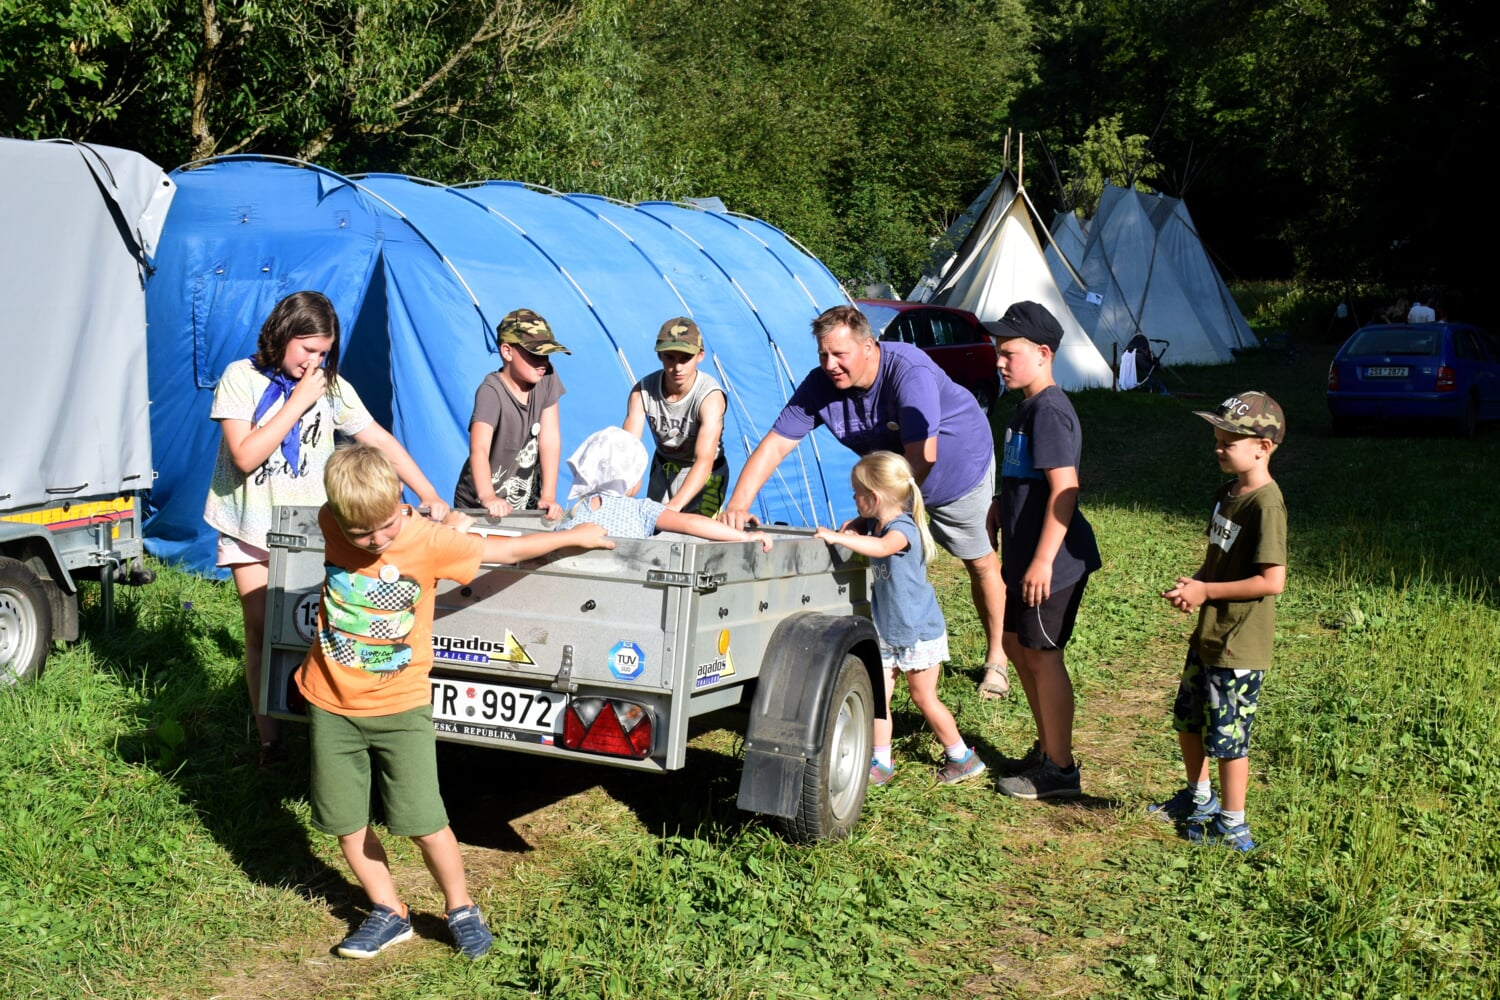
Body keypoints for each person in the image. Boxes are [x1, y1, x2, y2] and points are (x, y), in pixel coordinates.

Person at [296, 444, 613, 959]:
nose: (376, 540)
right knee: (346, 824)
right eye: (361, 533)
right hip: (330, 704)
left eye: (386, 527)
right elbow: (355, 511)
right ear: (337, 516)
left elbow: (502, 551)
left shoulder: (427, 540)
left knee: (424, 822)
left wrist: (572, 536)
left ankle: (461, 908)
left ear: (400, 503)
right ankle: (388, 911)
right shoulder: (332, 521)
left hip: (400, 710)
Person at [204, 290, 449, 768]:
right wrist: (297, 402)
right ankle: (270, 741)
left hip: (309, 532)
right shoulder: (240, 378)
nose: (313, 362)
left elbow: (376, 438)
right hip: (249, 525)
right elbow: (245, 456)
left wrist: (428, 492)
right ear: (282, 334)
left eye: (323, 352)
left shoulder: (330, 385)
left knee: (319, 627)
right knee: (260, 629)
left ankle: (328, 728)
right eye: (307, 349)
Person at [717, 304, 1009, 695]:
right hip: (890, 486)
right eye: (823, 354)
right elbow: (775, 446)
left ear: (869, 346)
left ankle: (998, 658)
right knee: (886, 565)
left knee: (978, 560)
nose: (830, 364)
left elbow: (923, 457)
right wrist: (738, 504)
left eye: (839, 354)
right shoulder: (820, 385)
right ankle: (888, 655)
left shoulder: (909, 372)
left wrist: (876, 515)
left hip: (956, 470)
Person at [1150, 391, 1287, 852]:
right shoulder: (1227, 494)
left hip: (1238, 645)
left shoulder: (1266, 505)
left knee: (1228, 738)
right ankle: (1199, 798)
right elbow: (1218, 558)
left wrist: (1207, 592)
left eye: (1228, 442)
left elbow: (1272, 580)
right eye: (1217, 439)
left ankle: (1233, 825)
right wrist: (1197, 583)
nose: (1218, 448)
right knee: (1188, 720)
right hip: (1209, 635)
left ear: (1262, 447)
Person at [985, 301, 1102, 800]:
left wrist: (1041, 561)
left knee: (1042, 656)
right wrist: (1000, 503)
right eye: (998, 351)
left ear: (1043, 353)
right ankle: (1047, 746)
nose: (999, 361)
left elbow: (1065, 490)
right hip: (1027, 557)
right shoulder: (1026, 406)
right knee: (1016, 646)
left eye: (1009, 352)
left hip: (1052, 562)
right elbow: (1027, 475)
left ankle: (1061, 769)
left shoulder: (1050, 411)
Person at [815, 452, 985, 786]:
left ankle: (962, 757)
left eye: (856, 493)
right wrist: (857, 525)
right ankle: (880, 761)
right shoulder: (876, 524)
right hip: (887, 629)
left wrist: (839, 538)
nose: (853, 498)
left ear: (874, 497)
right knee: (878, 698)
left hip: (918, 630)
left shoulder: (902, 528)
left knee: (924, 698)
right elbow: (870, 532)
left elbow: (882, 549)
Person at [557, 427, 771, 548]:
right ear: (631, 478)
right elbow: (691, 523)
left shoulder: (576, 509)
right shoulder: (640, 510)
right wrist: (744, 537)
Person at [453, 308, 569, 519]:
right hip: (478, 505)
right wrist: (488, 496)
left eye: (546, 354)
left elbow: (550, 439)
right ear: (507, 352)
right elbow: (479, 448)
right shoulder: (491, 392)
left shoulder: (547, 378)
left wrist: (548, 495)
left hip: (523, 504)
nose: (543, 362)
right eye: (535, 354)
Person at [623, 317, 729, 516]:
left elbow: (704, 460)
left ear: (700, 356)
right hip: (664, 468)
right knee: (654, 526)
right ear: (659, 355)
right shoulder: (642, 392)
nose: (677, 367)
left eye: (685, 359)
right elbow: (627, 449)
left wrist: (673, 507)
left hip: (706, 474)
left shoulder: (709, 397)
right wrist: (623, 488)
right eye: (670, 358)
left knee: (696, 530)